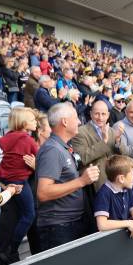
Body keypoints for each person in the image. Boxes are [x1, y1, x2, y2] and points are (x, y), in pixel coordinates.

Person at [35, 103, 100, 252]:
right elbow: (43, 193)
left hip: (69, 223)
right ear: (64, 122)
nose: (79, 122)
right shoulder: (52, 150)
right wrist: (82, 181)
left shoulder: (61, 147)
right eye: (76, 118)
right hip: (59, 227)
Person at [0, 107, 40, 257]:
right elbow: (42, 159)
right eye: (33, 120)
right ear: (24, 123)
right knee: (29, 215)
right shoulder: (28, 140)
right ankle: (12, 249)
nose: (36, 123)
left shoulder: (9, 136)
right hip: (18, 181)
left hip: (4, 177)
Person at [93, 155, 133, 238]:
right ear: (121, 178)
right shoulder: (104, 194)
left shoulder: (127, 188)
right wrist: (128, 223)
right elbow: (102, 224)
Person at [71, 100, 121, 191]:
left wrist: (118, 142)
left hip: (115, 180)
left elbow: (123, 154)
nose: (100, 118)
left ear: (108, 115)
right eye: (97, 114)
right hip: (96, 184)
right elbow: (82, 158)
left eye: (103, 114)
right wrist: (104, 141)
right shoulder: (80, 132)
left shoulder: (112, 131)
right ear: (90, 114)